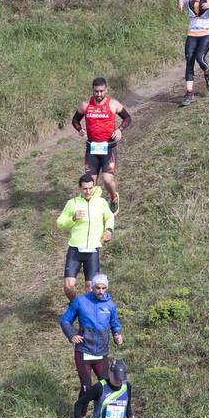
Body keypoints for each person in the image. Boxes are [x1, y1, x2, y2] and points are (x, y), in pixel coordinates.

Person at [72, 77, 132, 214]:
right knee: (90, 183)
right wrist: (80, 130)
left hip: (108, 148)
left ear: (106, 90)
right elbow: (75, 120)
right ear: (92, 90)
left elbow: (127, 118)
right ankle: (92, 208)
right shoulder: (85, 105)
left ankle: (113, 197)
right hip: (92, 149)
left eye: (101, 91)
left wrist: (119, 130)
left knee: (107, 179)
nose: (99, 94)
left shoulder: (113, 104)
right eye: (96, 91)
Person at [59, 272, 123, 400]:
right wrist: (71, 335)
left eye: (103, 288)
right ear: (92, 287)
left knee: (106, 386)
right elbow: (65, 320)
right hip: (84, 350)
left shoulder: (110, 305)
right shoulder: (80, 301)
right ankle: (81, 416)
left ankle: (101, 417)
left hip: (101, 352)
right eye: (97, 288)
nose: (100, 291)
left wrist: (117, 335)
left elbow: (115, 324)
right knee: (86, 387)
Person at [56, 173, 114, 300]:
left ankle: (85, 313)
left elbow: (110, 216)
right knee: (69, 286)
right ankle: (74, 304)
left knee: (90, 287)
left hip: (92, 250)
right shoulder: (72, 203)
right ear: (79, 188)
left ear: (93, 187)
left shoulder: (101, 202)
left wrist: (108, 230)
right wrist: (73, 218)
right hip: (75, 249)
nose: (88, 191)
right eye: (85, 188)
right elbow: (60, 223)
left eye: (90, 188)